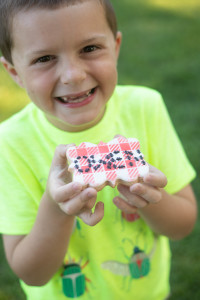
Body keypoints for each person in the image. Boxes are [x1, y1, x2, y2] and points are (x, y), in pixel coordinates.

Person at [0, 0, 197, 299]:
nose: (73, 75)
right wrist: (56, 208)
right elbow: (32, 273)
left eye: (89, 48)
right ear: (15, 73)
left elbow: (183, 225)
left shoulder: (146, 108)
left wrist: (150, 198)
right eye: (44, 58)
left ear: (116, 46)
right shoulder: (10, 143)